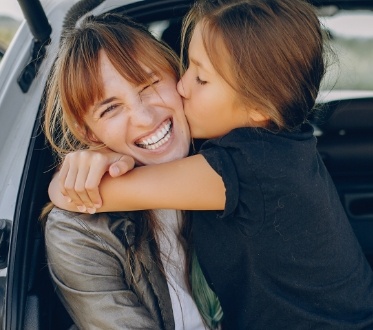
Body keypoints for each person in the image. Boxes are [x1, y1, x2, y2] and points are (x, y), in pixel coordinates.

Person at [49, 0, 373, 329]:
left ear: (258, 106)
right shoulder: (281, 144)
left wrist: (79, 170)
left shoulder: (246, 168)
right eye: (185, 65)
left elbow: (78, 193)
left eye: (200, 78)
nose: (183, 85)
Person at [43, 12, 222, 330]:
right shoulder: (77, 231)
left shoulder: (230, 160)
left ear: (178, 78)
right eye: (110, 108)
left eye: (150, 84)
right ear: (91, 135)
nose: (143, 116)